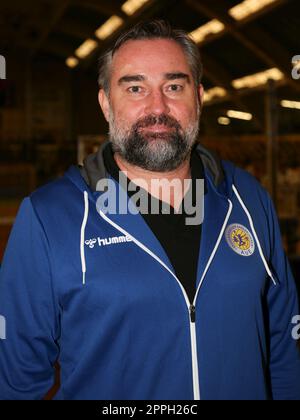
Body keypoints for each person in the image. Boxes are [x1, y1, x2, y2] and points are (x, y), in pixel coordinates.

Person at [0, 20, 300, 401]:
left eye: (174, 86)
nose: (157, 107)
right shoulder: (48, 218)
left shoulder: (249, 199)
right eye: (136, 88)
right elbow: (14, 384)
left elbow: (282, 350)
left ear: (200, 97)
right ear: (106, 103)